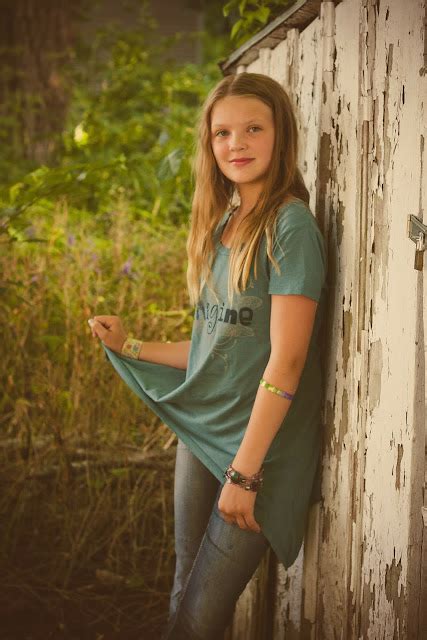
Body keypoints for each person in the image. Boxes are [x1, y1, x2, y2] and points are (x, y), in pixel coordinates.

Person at [88, 72, 327, 639]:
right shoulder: (224, 223)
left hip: (258, 453)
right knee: (181, 590)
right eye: (222, 133)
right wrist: (131, 345)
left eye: (252, 129)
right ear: (208, 143)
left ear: (281, 135)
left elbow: (287, 360)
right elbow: (214, 349)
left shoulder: (288, 226)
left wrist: (245, 473)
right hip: (204, 433)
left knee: (199, 617)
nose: (236, 144)